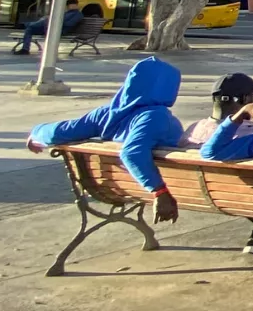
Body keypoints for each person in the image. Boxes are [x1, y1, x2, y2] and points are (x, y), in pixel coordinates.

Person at [26, 56, 185, 225]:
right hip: (176, 185)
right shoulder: (156, 117)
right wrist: (159, 191)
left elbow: (63, 131)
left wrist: (37, 134)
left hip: (117, 186)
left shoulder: (106, 114)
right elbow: (132, 153)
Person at [182, 72, 253, 253]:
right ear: (244, 100)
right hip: (246, 195)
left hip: (199, 193)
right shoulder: (252, 134)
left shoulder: (194, 128)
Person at [12, 0, 79, 55]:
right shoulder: (65, 13)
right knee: (30, 29)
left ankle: (25, 24)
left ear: (76, 5)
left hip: (60, 30)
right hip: (51, 29)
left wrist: (56, 21)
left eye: (73, 5)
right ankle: (25, 49)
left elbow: (69, 24)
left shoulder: (78, 14)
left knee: (45, 20)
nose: (71, 6)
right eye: (70, 5)